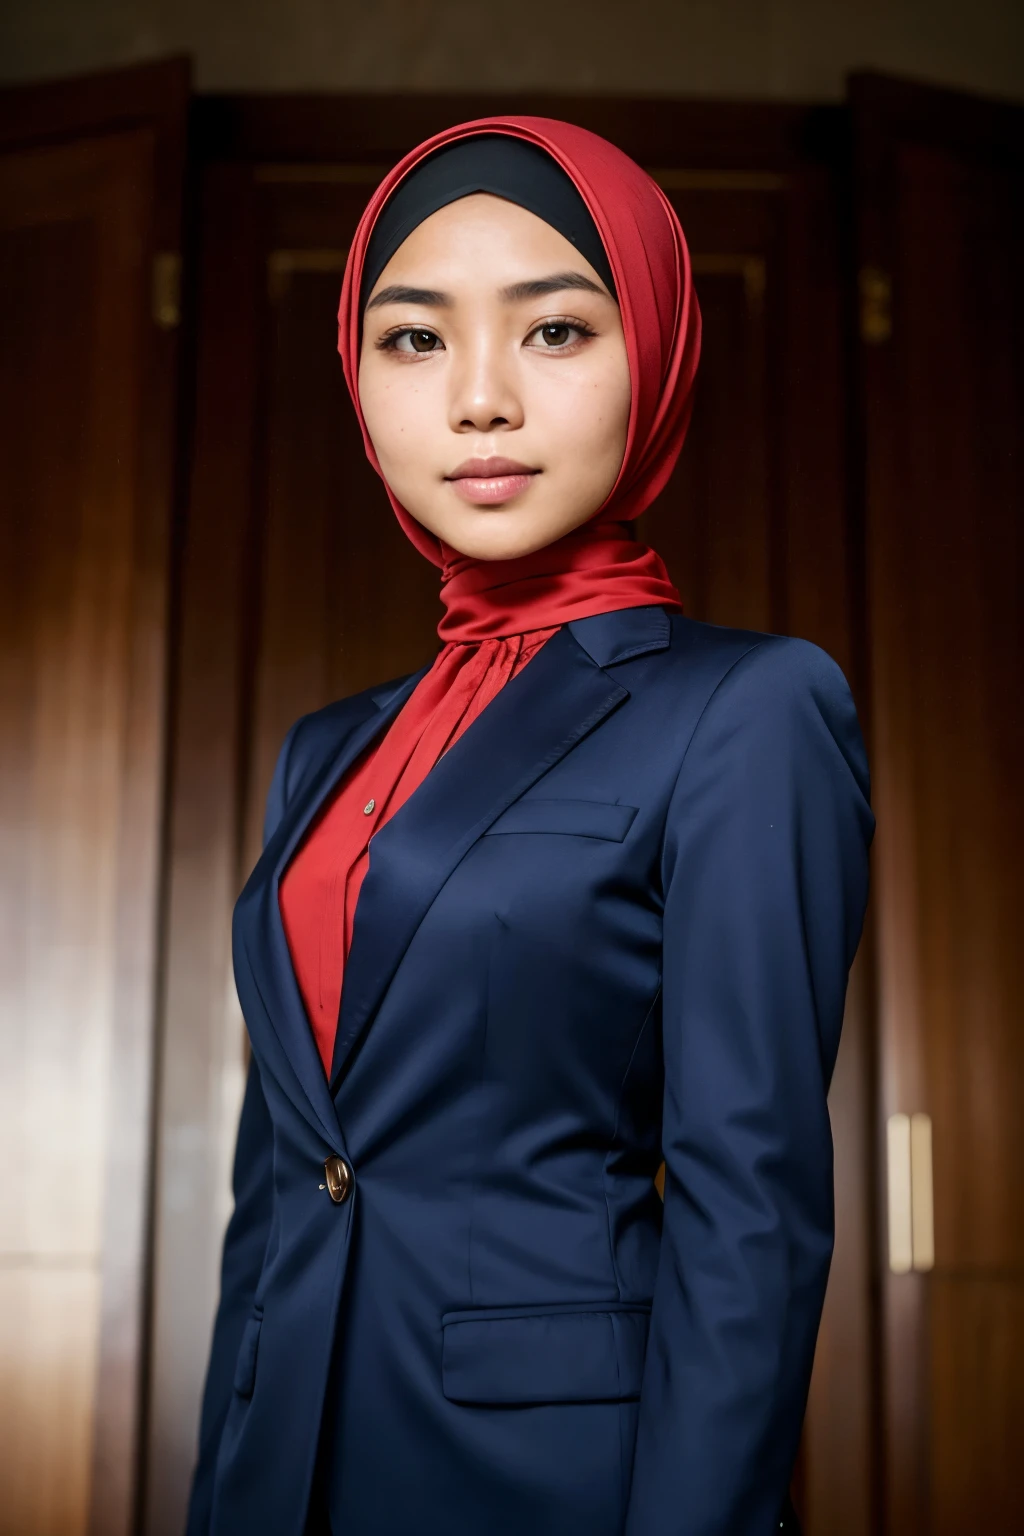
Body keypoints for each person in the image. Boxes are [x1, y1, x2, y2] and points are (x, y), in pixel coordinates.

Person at [186, 117, 874, 1536]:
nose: (479, 400)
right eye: (415, 340)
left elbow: (751, 1212)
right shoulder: (328, 752)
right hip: (285, 1467)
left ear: (659, 355)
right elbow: (282, 1186)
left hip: (554, 1485)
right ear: (359, 381)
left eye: (555, 331)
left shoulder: (748, 709)